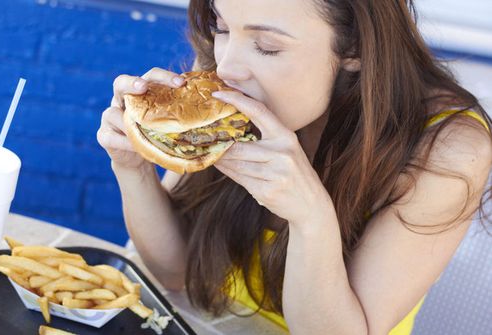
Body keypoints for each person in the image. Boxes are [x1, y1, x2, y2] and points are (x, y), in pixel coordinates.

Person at [97, 0, 492, 334]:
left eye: (267, 46)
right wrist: (133, 167)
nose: (227, 67)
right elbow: (175, 274)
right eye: (222, 27)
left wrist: (310, 217)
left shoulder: (448, 149)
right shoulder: (225, 70)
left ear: (356, 47)